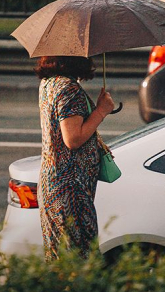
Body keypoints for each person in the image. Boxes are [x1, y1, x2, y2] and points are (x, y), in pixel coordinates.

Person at [35, 56, 114, 261]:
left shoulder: (48, 83)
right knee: (79, 262)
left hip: (54, 183)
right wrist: (101, 111)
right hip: (70, 189)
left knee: (60, 260)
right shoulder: (69, 90)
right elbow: (73, 139)